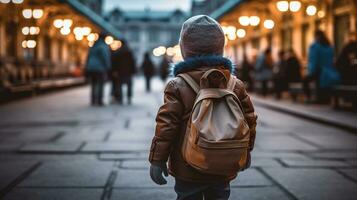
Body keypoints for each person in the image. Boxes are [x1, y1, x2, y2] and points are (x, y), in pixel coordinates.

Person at [148, 15, 257, 200]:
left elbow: (167, 126)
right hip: (224, 161)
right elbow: (249, 120)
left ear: (184, 49)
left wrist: (157, 159)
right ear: (220, 48)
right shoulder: (234, 84)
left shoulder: (178, 85)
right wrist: (245, 152)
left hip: (188, 164)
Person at [303, 30, 341, 104]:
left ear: (317, 36)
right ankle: (324, 99)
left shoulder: (315, 46)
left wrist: (311, 71)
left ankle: (308, 98)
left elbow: (313, 60)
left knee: (306, 80)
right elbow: (332, 59)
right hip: (329, 71)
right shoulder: (329, 46)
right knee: (318, 81)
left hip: (319, 70)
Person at [85, 33, 111, 106]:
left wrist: (87, 67)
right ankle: (99, 100)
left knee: (93, 84)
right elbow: (105, 57)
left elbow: (88, 57)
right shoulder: (103, 46)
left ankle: (93, 100)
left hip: (91, 67)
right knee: (100, 84)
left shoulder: (93, 45)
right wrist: (108, 67)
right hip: (100, 68)